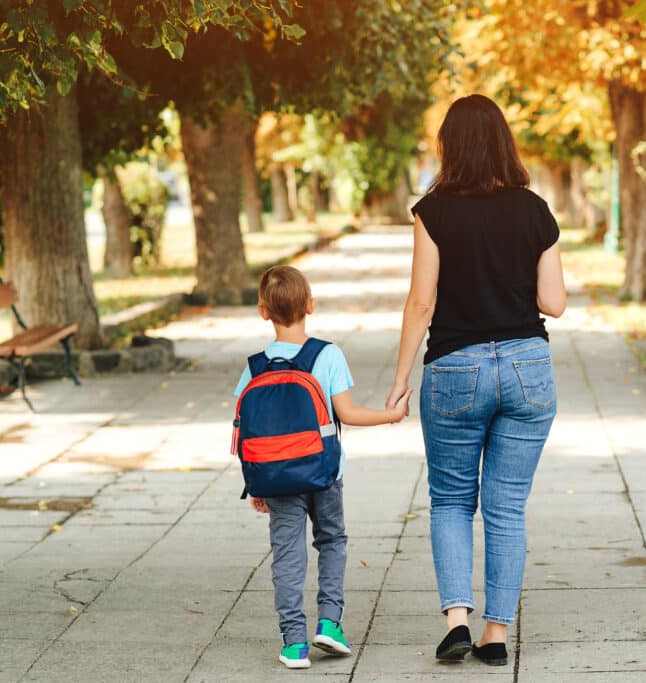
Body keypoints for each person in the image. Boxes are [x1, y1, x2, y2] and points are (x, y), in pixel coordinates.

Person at [386, 94, 567, 666]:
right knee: (507, 507)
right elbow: (553, 303)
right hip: (526, 368)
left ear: (450, 146)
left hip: (455, 368)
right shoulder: (535, 210)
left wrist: (399, 378)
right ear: (504, 142)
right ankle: (497, 635)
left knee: (451, 500)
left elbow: (421, 302)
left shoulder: (433, 210)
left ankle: (456, 620)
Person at [236, 265, 411, 670]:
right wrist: (391, 416)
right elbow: (346, 413)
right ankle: (330, 623)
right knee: (331, 540)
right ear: (310, 306)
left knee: (286, 553)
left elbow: (246, 432)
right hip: (324, 471)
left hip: (276, 477)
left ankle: (294, 642)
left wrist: (256, 484)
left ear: (263, 312)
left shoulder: (254, 367)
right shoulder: (326, 355)